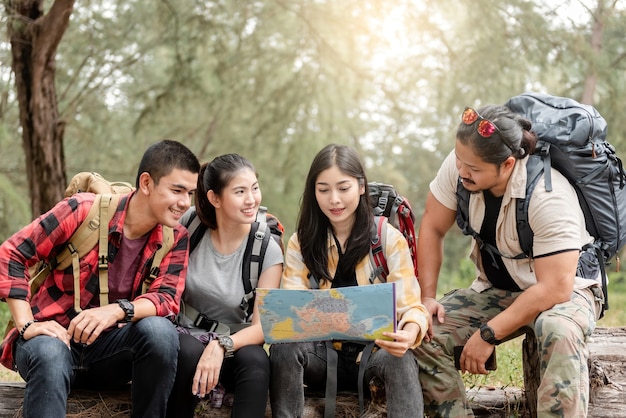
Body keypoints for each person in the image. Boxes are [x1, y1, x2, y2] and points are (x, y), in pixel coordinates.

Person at [414, 105, 604, 417]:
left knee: (558, 329)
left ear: (507, 165)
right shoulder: (461, 165)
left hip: (567, 293)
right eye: (459, 160)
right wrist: (428, 298)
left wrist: (488, 334)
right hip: (502, 288)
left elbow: (556, 288)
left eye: (473, 168)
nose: (462, 171)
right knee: (423, 331)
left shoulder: (548, 196)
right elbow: (433, 228)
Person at [0, 139, 200, 418]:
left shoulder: (176, 238)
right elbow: (11, 253)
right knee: (50, 353)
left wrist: (117, 310)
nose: (184, 203)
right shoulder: (81, 210)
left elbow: (166, 299)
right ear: (146, 183)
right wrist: (26, 325)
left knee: (161, 333)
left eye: (190, 193)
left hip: (109, 353)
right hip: (50, 344)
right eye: (177, 190)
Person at [269, 144, 429, 418]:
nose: (334, 199)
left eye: (344, 188)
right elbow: (292, 311)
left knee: (399, 358)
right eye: (323, 190)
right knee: (284, 346)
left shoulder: (387, 239)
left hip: (372, 357)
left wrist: (410, 332)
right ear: (313, 192)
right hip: (320, 355)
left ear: (361, 186)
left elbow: (411, 307)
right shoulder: (302, 242)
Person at [166, 154, 283, 418]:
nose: (251, 199)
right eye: (240, 191)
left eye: (254, 188)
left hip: (236, 344)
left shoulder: (266, 249)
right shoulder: (190, 224)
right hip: (186, 337)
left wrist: (221, 345)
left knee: (256, 361)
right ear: (214, 198)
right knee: (186, 351)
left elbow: (262, 327)